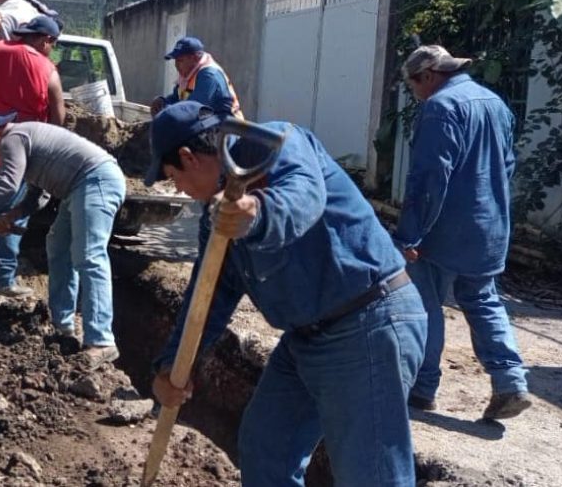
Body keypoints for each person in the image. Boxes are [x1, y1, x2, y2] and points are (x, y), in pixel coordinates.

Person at [149, 101, 426, 486]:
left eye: (170, 176)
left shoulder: (277, 144)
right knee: (267, 448)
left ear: (188, 157)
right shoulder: (216, 217)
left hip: (367, 323)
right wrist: (171, 366)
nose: (176, 187)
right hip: (306, 339)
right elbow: (207, 297)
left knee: (372, 475)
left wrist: (257, 214)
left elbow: (303, 198)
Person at [397, 45, 530, 419]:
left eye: (414, 86)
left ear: (427, 76)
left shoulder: (440, 109)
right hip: (491, 225)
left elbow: (428, 180)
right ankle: (510, 382)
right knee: (482, 299)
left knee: (425, 303)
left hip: (445, 229)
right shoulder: (494, 103)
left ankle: (422, 390)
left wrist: (409, 236)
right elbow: (507, 165)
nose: (416, 94)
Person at [0, 112, 125, 367]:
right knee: (58, 246)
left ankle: (101, 340)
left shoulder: (12, 138)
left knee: (89, 254)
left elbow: (7, 185)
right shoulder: (25, 140)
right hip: (78, 187)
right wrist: (13, 216)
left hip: (96, 179)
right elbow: (38, 196)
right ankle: (63, 326)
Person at [0, 15, 66, 296]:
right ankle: (1, 280)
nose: (51, 50)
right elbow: (60, 117)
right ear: (45, 40)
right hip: (18, 154)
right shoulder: (47, 69)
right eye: (52, 44)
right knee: (10, 216)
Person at [150, 36, 244, 119]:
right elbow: (178, 98)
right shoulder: (186, 77)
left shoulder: (209, 75)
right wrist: (162, 102)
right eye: (176, 61)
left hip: (229, 127)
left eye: (180, 60)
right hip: (209, 125)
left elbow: (193, 108)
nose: (176, 65)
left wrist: (165, 110)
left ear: (195, 58)